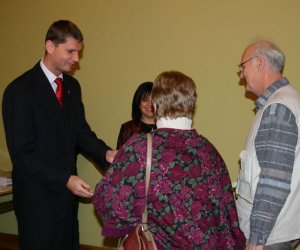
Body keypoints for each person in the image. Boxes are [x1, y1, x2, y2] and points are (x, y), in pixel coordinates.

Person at [93, 71, 246, 249]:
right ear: (192, 105)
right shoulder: (210, 152)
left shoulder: (140, 149)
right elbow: (227, 215)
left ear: (155, 106)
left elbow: (108, 198)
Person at [2, 20, 117, 250]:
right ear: (50, 46)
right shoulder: (19, 90)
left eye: (78, 52)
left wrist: (106, 153)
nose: (76, 59)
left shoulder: (73, 87)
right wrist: (65, 180)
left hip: (66, 201)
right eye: (71, 51)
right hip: (37, 201)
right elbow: (23, 155)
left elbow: (81, 133)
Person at [236, 40, 300, 249]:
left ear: (260, 63)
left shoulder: (278, 108)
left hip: (270, 238)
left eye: (243, 67)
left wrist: (256, 239)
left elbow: (274, 180)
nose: (241, 74)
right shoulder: (284, 101)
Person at [116, 81, 156, 149]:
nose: (150, 104)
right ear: (138, 104)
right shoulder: (128, 128)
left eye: (153, 100)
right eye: (145, 100)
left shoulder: (167, 128)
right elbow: (120, 157)